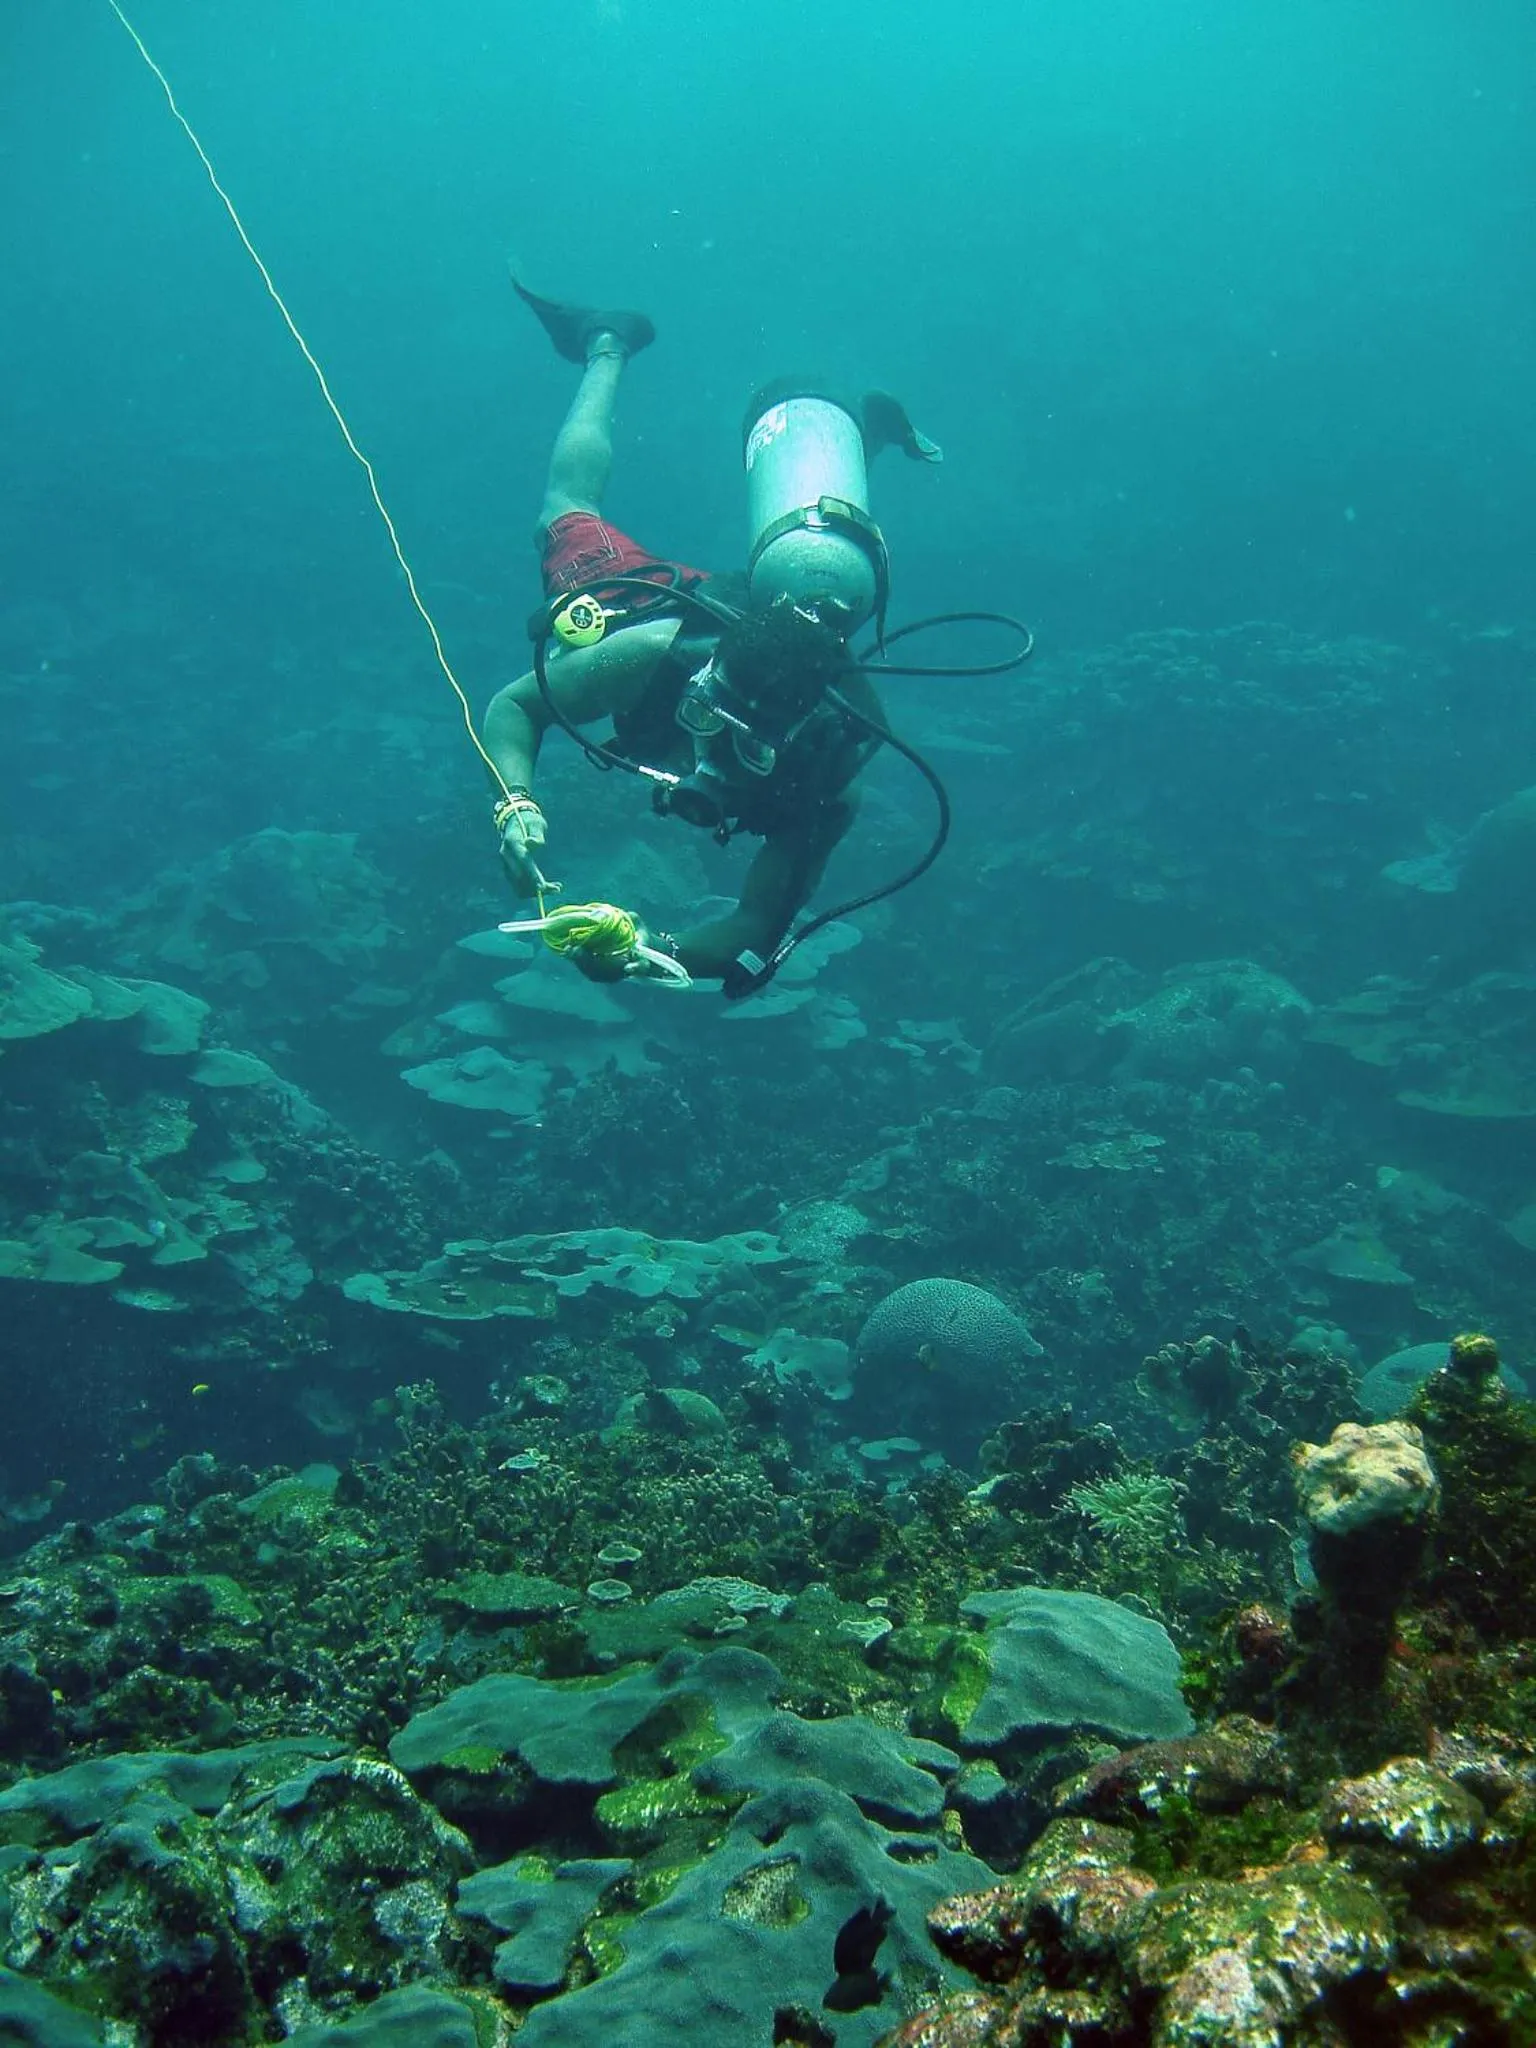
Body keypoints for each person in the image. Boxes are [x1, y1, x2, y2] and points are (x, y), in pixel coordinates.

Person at [482, 276, 941, 993]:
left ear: (788, 743)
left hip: (779, 639)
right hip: (684, 606)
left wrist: (644, 948)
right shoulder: (653, 650)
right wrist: (517, 800)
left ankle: (860, 443)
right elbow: (516, 706)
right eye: (704, 713)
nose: (713, 752)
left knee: (831, 588)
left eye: (750, 748)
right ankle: (607, 342)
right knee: (564, 509)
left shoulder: (827, 781)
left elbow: (754, 927)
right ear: (702, 677)